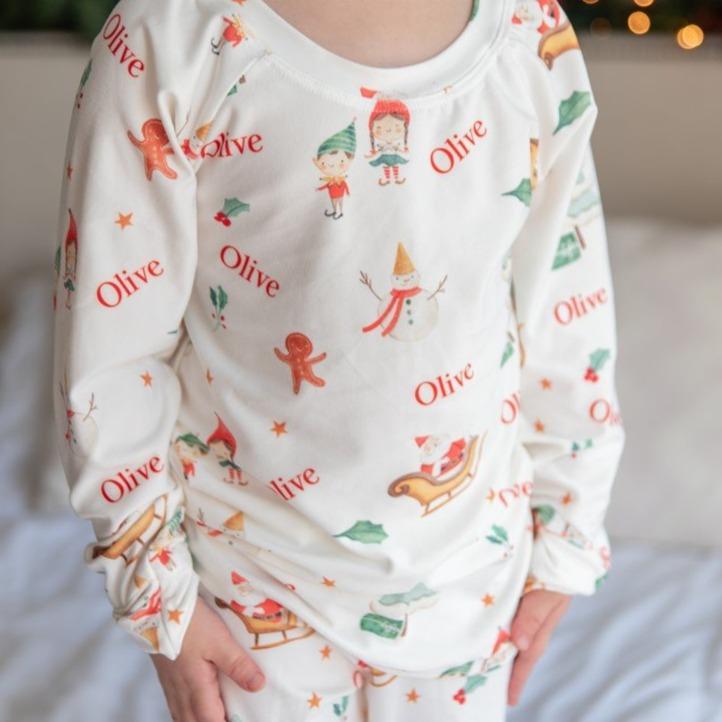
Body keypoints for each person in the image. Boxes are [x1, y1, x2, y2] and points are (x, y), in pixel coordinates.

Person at [50, 0, 626, 720]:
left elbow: (568, 307)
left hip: (470, 580)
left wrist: (568, 534)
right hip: (247, 586)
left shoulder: (529, 34)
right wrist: (157, 589)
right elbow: (113, 348)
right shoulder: (170, 35)